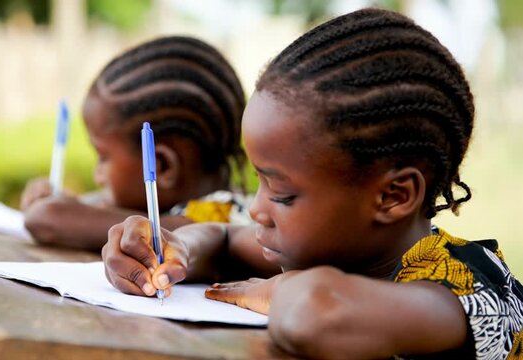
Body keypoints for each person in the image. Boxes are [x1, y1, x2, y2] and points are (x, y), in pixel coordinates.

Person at [102, 8, 523, 359]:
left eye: (282, 194)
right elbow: (225, 239)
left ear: (393, 195)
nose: (257, 209)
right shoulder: (339, 246)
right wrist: (178, 251)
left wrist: (281, 288)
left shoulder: (466, 289)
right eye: (259, 183)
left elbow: (315, 313)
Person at [21, 36, 250, 250]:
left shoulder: (222, 218)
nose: (97, 176)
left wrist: (54, 209)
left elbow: (49, 219)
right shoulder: (174, 207)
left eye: (103, 157)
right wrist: (69, 201)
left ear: (161, 165)